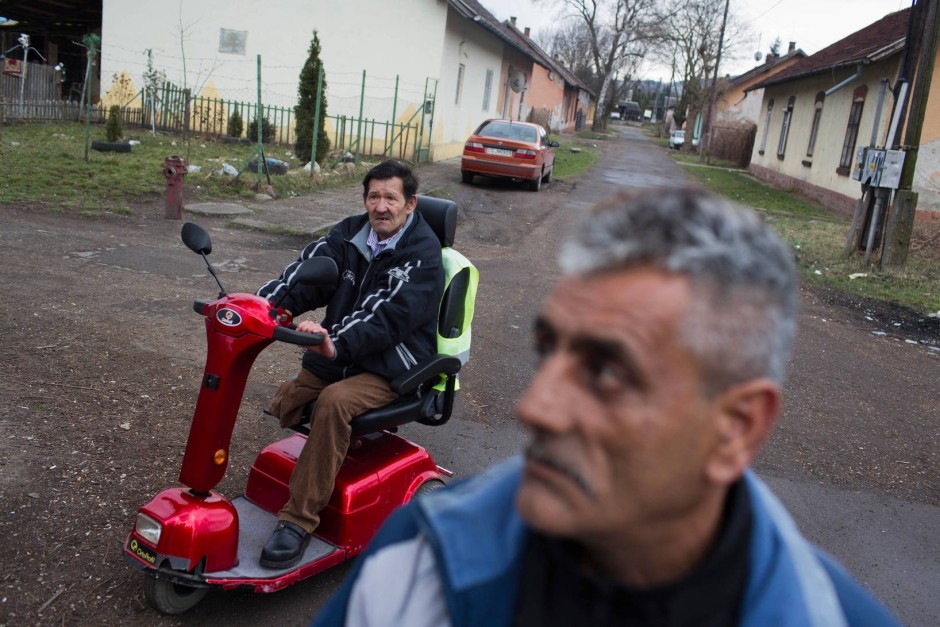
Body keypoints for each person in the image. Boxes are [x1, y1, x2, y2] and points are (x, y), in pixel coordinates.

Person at [313, 187, 900, 626]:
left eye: (608, 373)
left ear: (736, 429)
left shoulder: (827, 615)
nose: (536, 407)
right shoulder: (422, 562)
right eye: (550, 352)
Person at [256, 159, 443, 569]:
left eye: (390, 198)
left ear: (410, 203)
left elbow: (386, 315)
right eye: (374, 196)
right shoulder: (350, 233)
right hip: (342, 351)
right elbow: (306, 273)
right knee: (288, 399)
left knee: (334, 403)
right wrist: (261, 307)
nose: (381, 206)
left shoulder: (422, 254)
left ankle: (297, 521)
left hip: (391, 362)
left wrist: (335, 342)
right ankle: (329, 454)